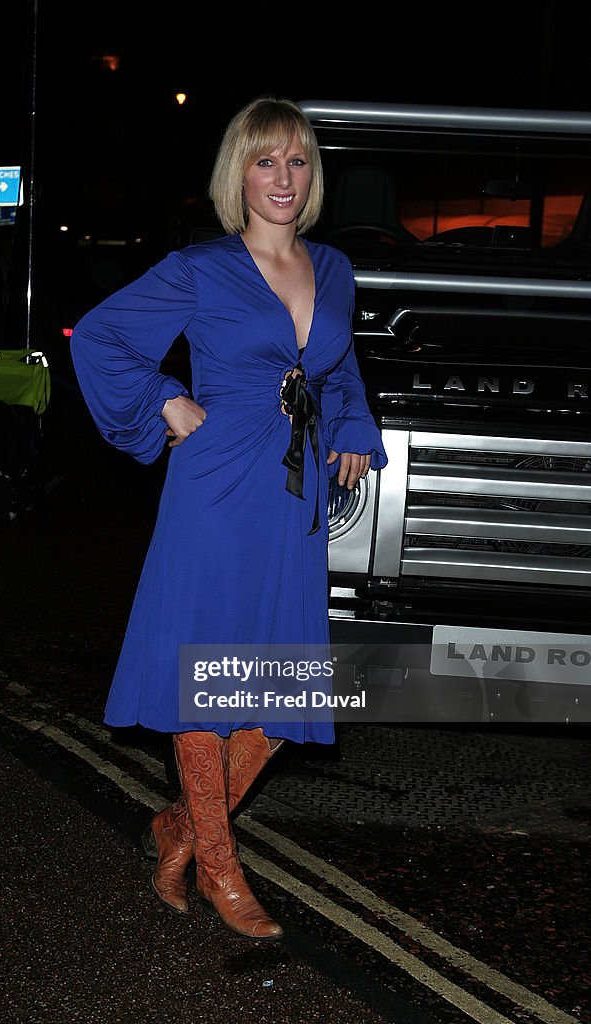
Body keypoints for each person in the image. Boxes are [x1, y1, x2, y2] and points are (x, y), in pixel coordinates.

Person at [70, 95, 388, 942]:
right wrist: (165, 397)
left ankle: (178, 823)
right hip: (214, 489)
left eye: (296, 160)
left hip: (292, 500)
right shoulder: (200, 267)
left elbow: (338, 367)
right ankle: (217, 863)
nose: (282, 177)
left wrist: (355, 424)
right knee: (206, 684)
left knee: (277, 689)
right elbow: (99, 338)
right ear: (236, 173)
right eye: (264, 160)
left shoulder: (333, 266)